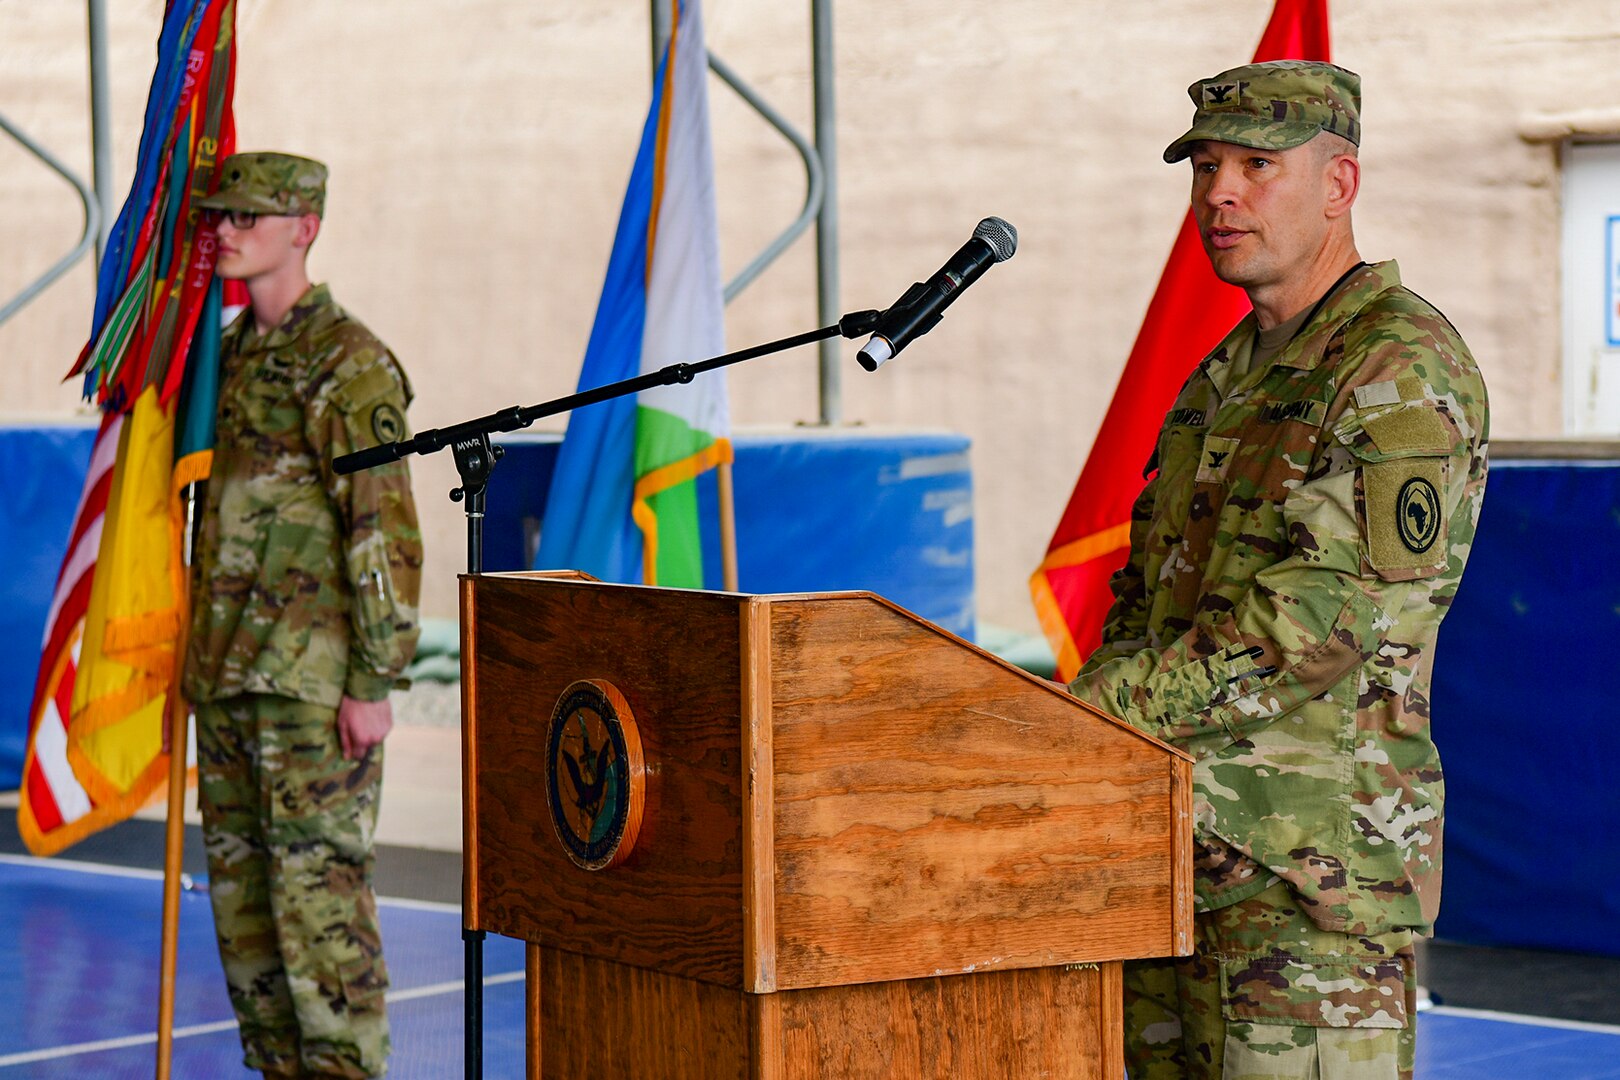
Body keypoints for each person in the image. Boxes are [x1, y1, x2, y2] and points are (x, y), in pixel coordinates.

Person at [1065, 62, 1488, 1079]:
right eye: (1208, 166)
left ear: (1339, 184)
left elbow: (1322, 625)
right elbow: (1144, 602)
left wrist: (1083, 719)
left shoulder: (1398, 364)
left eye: (1257, 164)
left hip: (1306, 894)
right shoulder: (1224, 378)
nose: (1219, 193)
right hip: (1170, 865)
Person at [183, 151, 421, 1080]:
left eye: (249, 216)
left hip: (311, 693)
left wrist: (373, 681)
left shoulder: (348, 364)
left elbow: (384, 534)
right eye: (221, 217)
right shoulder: (228, 362)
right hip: (230, 682)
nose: (228, 232)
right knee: (250, 945)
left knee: (321, 926)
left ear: (304, 228)